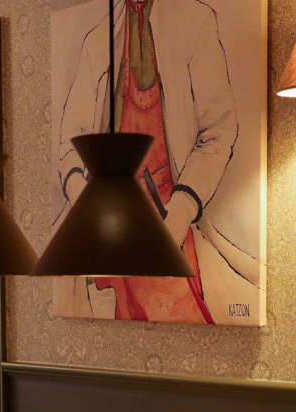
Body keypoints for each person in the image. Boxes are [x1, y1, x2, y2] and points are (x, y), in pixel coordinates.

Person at [55, 0, 262, 325]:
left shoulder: (196, 23)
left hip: (171, 219)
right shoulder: (98, 40)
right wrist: (86, 205)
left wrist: (180, 212)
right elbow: (69, 141)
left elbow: (220, 128)